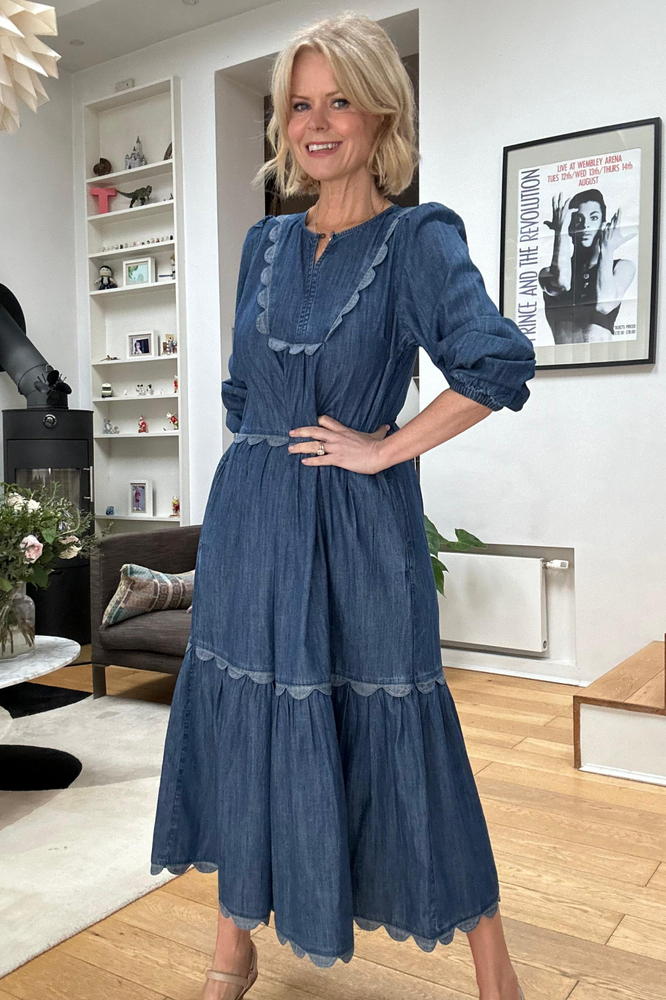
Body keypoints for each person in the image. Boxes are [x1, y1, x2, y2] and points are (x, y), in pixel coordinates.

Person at [150, 12, 536, 1000]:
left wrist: (383, 447)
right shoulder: (264, 244)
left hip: (361, 535)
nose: (315, 123)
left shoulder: (418, 238)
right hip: (252, 527)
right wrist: (261, 470)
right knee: (247, 720)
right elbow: (242, 396)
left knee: (401, 729)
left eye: (339, 102)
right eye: (298, 105)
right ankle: (232, 951)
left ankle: (496, 969)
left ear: (381, 115)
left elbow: (495, 364)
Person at [538, 188, 636, 344]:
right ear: (569, 227)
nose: (585, 225)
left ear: (603, 224)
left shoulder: (623, 267)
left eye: (594, 218)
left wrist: (607, 250)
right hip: (563, 357)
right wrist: (560, 232)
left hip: (603, 357)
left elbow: (604, 305)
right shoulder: (547, 273)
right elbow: (562, 282)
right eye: (578, 219)